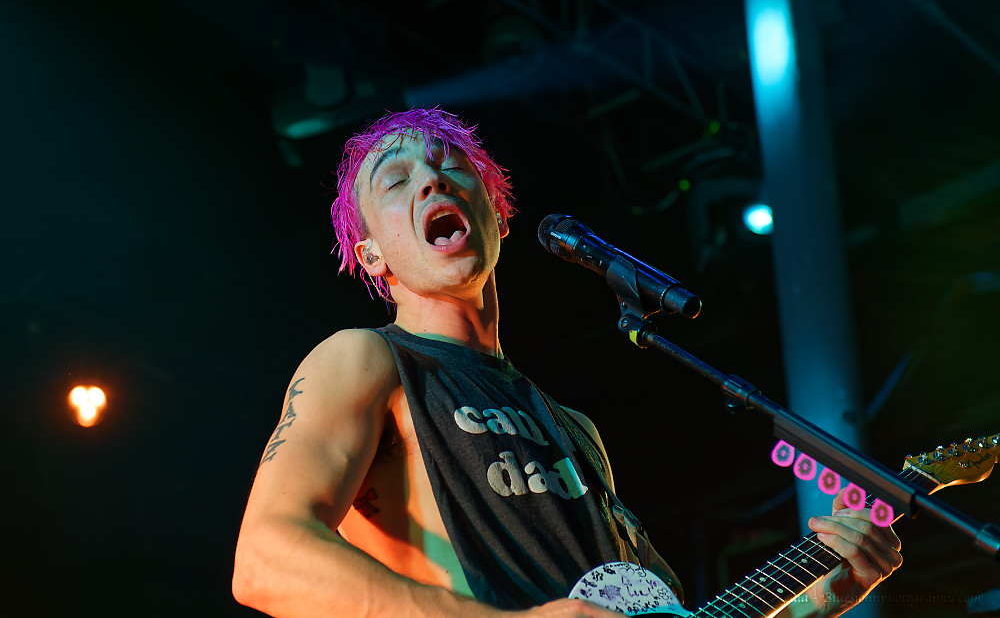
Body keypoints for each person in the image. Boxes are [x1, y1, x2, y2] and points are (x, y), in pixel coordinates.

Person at [232, 108, 902, 617]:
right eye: (396, 180)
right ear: (373, 254)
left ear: (495, 212)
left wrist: (825, 598)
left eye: (448, 164)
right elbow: (265, 559)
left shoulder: (575, 431)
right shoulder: (364, 359)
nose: (431, 177)